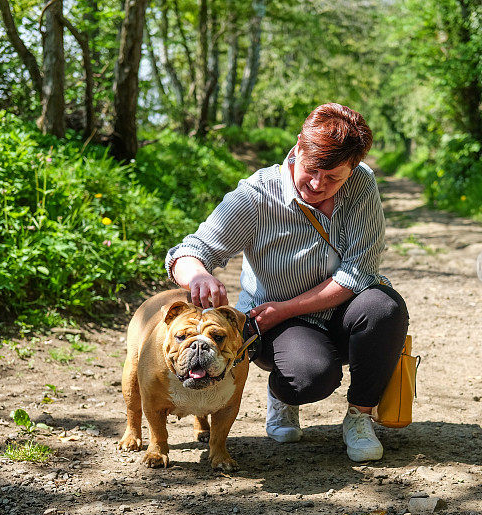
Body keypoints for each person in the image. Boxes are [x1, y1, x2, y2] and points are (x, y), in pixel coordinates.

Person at [165, 103, 409, 462]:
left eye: (334, 178)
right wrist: (199, 274)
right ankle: (283, 395)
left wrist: (287, 308)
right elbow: (187, 251)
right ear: (298, 147)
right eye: (312, 170)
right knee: (309, 379)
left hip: (334, 311)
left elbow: (357, 272)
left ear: (353, 169)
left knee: (384, 306)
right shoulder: (255, 196)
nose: (317, 184)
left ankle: (360, 416)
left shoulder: (362, 186)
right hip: (276, 322)